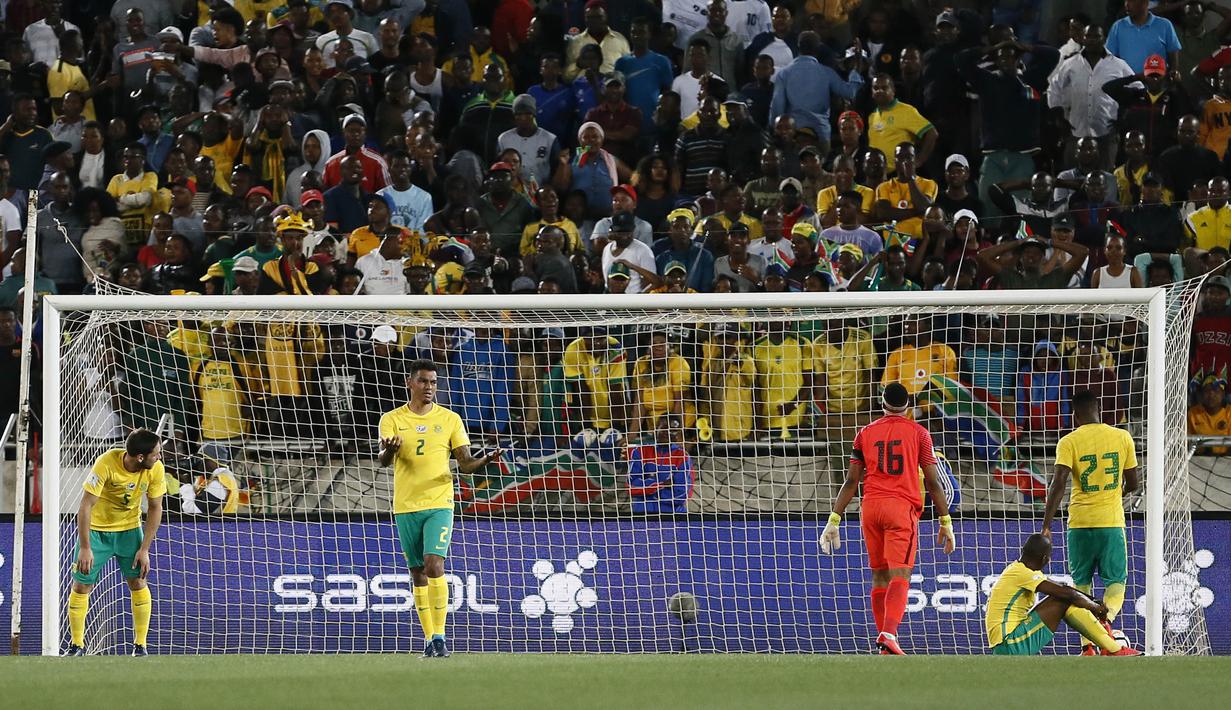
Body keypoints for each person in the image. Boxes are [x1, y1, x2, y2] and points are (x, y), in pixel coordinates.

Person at [378, 359, 501, 658]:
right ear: (410, 383)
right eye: (423, 381)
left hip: (439, 502)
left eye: (433, 382)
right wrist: (390, 450)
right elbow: (382, 459)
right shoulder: (392, 419)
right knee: (417, 573)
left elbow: (466, 464)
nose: (429, 387)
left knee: (435, 564)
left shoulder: (450, 419)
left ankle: (441, 637)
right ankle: (429, 638)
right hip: (406, 505)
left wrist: (484, 461)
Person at [821, 382, 955, 655]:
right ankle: (889, 633)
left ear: (882, 403)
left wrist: (834, 519)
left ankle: (884, 642)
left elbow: (851, 481)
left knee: (879, 576)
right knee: (901, 575)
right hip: (900, 508)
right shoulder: (920, 433)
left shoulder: (865, 433)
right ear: (908, 408)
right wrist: (946, 521)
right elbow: (933, 482)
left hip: (870, 508)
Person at [1041, 390, 1141, 655]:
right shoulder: (1122, 437)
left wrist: (1046, 524)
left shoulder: (1069, 441)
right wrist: (1111, 495)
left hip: (1079, 524)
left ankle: (1087, 646)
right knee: (1116, 582)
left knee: (1080, 586)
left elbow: (1058, 483)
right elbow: (1134, 483)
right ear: (1099, 409)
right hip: (1110, 522)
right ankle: (1105, 626)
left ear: (1074, 414)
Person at [67, 428, 166, 656]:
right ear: (140, 457)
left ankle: (140, 646)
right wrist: (85, 547)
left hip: (129, 531)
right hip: (96, 532)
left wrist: (145, 549)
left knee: (138, 583)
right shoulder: (106, 463)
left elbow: (155, 507)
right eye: (156, 453)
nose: (159, 457)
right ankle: (77, 645)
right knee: (81, 585)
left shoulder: (156, 470)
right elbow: (85, 505)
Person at [986, 534, 1139, 656]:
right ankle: (1113, 649)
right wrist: (1095, 607)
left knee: (1064, 596)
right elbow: (1066, 594)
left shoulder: (1017, 569)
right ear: (1045, 559)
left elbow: (1062, 587)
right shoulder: (1023, 574)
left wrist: (1092, 600)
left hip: (1006, 644)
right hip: (1010, 645)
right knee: (1063, 600)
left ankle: (1091, 649)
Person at [627, 415, 694, 513]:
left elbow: (681, 495)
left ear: (678, 435)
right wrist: (661, 485)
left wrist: (648, 491)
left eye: (673, 430)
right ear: (655, 429)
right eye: (664, 428)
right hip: (643, 515)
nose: (668, 433)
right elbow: (631, 486)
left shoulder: (683, 457)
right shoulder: (640, 451)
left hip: (673, 517)